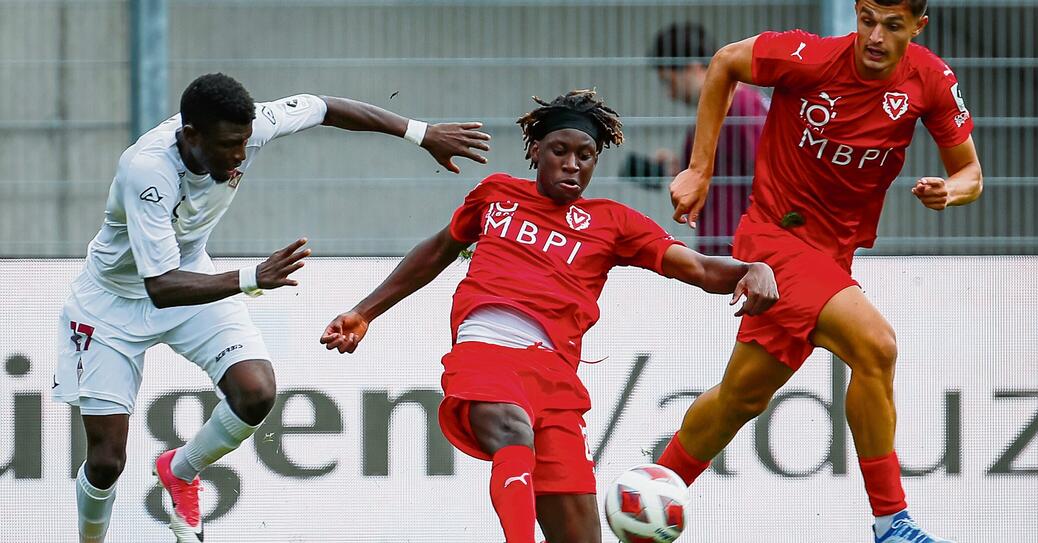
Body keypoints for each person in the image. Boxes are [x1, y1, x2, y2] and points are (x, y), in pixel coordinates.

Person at [320, 89, 778, 543]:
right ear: (536, 151)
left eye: (587, 155)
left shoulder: (614, 222)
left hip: (556, 377)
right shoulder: (496, 194)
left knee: (579, 534)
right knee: (512, 429)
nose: (573, 164)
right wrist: (364, 312)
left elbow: (696, 266)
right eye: (560, 150)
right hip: (486, 349)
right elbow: (440, 249)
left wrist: (750, 268)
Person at [52, 72, 491, 543]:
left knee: (256, 391)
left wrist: (421, 133)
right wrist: (251, 279)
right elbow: (159, 285)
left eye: (244, 142)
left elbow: (325, 106)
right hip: (112, 306)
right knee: (105, 461)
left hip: (193, 277)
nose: (240, 155)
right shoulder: (147, 171)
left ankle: (180, 472)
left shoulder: (251, 126)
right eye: (227, 146)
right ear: (191, 135)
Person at [657, 0, 983, 541]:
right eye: (867, 20)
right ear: (857, 12)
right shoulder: (808, 57)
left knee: (740, 397)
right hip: (775, 239)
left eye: (893, 26)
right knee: (875, 345)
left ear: (918, 27)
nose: (875, 36)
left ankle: (653, 485)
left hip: (831, 256)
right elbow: (724, 63)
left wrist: (951, 191)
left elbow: (970, 171)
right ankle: (892, 523)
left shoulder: (930, 78)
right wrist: (699, 169)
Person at [647, 22, 769, 255]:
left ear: (693, 68)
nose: (669, 93)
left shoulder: (740, 107)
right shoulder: (718, 111)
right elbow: (723, 170)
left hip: (744, 255)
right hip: (725, 251)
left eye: (668, 82)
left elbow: (765, 171)